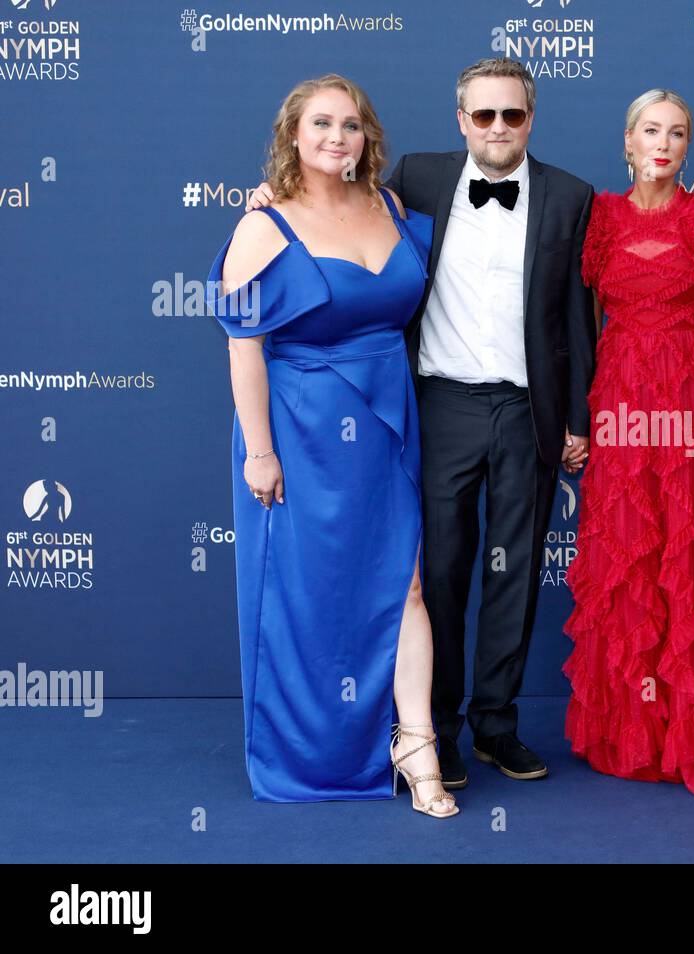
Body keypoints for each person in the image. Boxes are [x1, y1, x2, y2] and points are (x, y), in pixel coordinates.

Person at [247, 57, 597, 788]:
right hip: (436, 405)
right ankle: (432, 732)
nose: (497, 128)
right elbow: (329, 207)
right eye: (483, 114)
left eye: (512, 115)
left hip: (526, 408)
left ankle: (498, 725)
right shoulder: (415, 179)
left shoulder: (571, 195)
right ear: (460, 118)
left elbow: (575, 314)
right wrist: (267, 197)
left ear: (530, 119)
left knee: (516, 573)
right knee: (434, 573)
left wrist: (575, 416)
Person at [208, 74, 456, 817]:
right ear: (292, 135)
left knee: (405, 584)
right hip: (299, 431)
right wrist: (260, 451)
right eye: (320, 124)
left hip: (388, 424)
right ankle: (314, 751)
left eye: (350, 126)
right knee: (306, 594)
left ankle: (416, 744)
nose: (336, 138)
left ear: (366, 138)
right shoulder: (262, 225)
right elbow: (244, 347)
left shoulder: (390, 206)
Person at [561, 89, 694, 796]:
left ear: (689, 146)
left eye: (677, 132)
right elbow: (587, 328)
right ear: (627, 141)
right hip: (620, 407)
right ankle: (634, 728)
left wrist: (693, 378)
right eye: (650, 130)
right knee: (629, 553)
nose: (663, 142)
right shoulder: (597, 218)